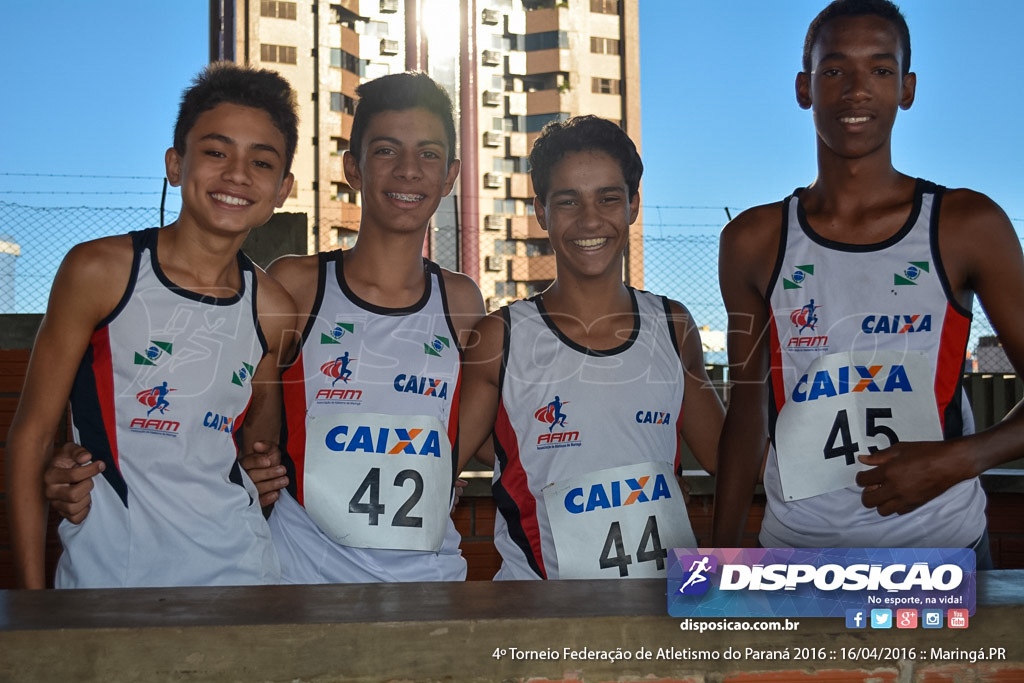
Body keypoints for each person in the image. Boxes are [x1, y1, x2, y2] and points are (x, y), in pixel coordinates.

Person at [712, 0, 1024, 565]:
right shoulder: (752, 240)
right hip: (796, 554)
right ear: (805, 87)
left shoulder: (967, 225)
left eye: (880, 70)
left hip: (941, 553)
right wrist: (719, 563)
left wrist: (955, 460)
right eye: (834, 70)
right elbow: (747, 412)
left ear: (907, 88)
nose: (857, 90)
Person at [7, 62, 299, 588]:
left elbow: (258, 448)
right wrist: (32, 602)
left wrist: (262, 472)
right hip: (110, 581)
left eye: (261, 162)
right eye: (216, 152)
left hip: (243, 578)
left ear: (282, 189)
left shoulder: (272, 308)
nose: (236, 174)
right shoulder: (99, 271)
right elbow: (29, 438)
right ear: (175, 163)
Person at [243, 71, 484, 583]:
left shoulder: (461, 300)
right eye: (386, 151)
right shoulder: (296, 284)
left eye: (429, 155)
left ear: (450, 175)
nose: (408, 171)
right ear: (353, 167)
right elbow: (241, 422)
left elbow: (476, 434)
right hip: (305, 581)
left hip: (428, 587)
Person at [457, 115, 723, 580]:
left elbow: (727, 453)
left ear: (633, 205)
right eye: (568, 202)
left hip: (655, 607)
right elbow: (447, 454)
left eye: (608, 198)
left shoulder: (673, 324)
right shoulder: (499, 337)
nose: (590, 220)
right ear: (540, 211)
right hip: (540, 611)